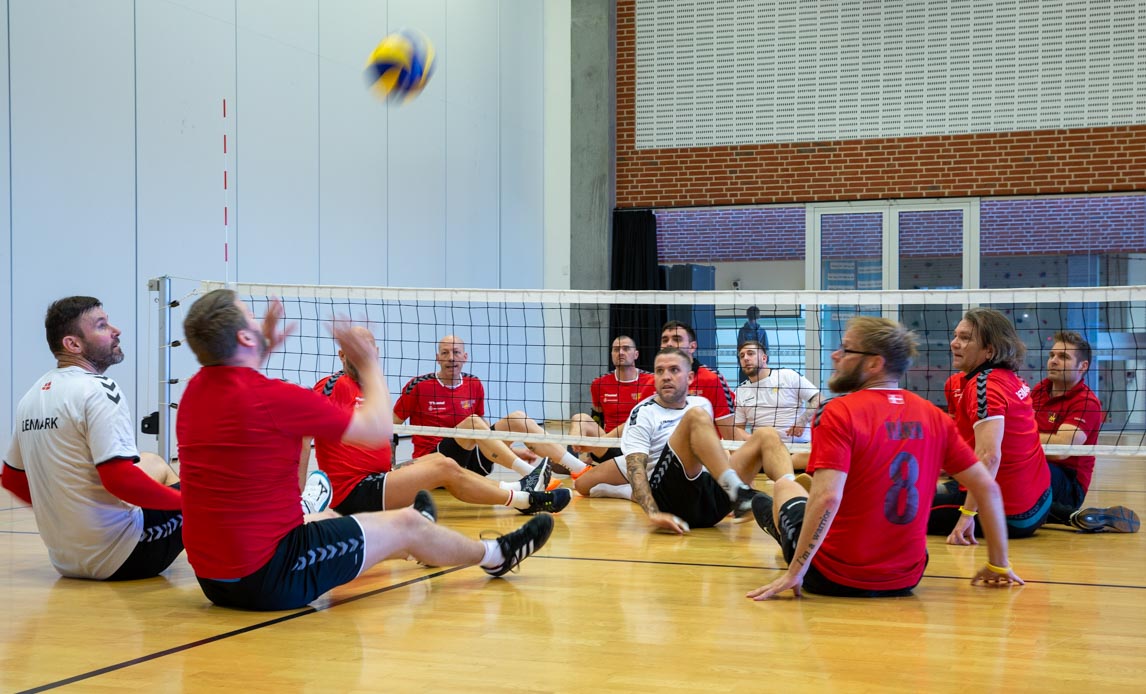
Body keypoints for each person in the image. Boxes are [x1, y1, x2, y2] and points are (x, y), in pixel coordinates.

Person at [177, 289, 553, 611]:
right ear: (244, 339)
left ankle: (419, 535)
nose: (260, 325)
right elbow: (378, 428)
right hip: (267, 577)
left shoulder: (194, 392)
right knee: (405, 524)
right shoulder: (278, 398)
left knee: (323, 519)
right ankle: (496, 556)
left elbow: (241, 384)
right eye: (252, 321)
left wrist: (257, 349)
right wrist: (369, 363)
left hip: (213, 577)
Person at [746, 316, 1021, 600]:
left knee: (779, 488)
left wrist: (795, 572)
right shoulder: (933, 416)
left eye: (847, 349)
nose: (835, 354)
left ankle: (774, 516)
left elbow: (828, 498)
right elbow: (987, 487)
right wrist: (998, 564)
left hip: (833, 576)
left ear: (874, 364)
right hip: (907, 577)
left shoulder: (838, 411)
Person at [1, 296, 183, 580]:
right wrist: (186, 503)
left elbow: (11, 478)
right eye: (102, 325)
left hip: (65, 561)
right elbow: (119, 478)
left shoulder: (33, 395)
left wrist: (70, 512)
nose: (116, 330)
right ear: (73, 344)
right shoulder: (99, 389)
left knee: (153, 462)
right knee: (207, 493)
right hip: (125, 556)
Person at [306, 326, 571, 516]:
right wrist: (297, 494)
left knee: (443, 461)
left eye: (366, 349)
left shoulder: (373, 388)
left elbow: (385, 434)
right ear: (342, 356)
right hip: (356, 489)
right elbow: (303, 432)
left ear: (375, 351)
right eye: (354, 350)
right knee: (445, 466)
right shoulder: (334, 385)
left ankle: (525, 484)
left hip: (381, 476)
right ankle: (526, 498)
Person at [578, 346, 766, 529]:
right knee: (581, 485)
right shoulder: (645, 411)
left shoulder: (702, 404)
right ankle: (625, 492)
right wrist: (652, 512)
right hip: (654, 469)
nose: (666, 376)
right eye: (660, 371)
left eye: (674, 370)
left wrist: (742, 479)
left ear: (690, 377)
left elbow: (717, 446)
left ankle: (790, 506)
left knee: (767, 436)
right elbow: (635, 467)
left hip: (695, 482)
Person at [929, 308, 1052, 543]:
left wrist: (967, 516)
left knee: (899, 503)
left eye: (965, 338)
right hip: (1040, 502)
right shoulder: (1012, 378)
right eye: (955, 335)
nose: (954, 343)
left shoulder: (983, 386)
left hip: (1011, 516)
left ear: (990, 350)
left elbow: (990, 457)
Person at [392, 335, 576, 481]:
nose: (451, 358)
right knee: (473, 423)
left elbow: (483, 432)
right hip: (435, 464)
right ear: (437, 358)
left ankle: (580, 469)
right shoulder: (418, 386)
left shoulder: (474, 383)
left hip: (473, 464)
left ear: (465, 357)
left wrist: (511, 451)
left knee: (517, 418)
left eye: (456, 352)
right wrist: (387, 466)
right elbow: (390, 427)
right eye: (445, 353)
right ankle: (532, 475)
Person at [1031, 331, 1139, 533]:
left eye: (1063, 357)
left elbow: (1060, 449)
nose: (1053, 361)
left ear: (1083, 366)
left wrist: (1020, 437)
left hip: (1068, 484)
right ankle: (1076, 518)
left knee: (1015, 475)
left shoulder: (1087, 402)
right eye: (1052, 355)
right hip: (1034, 466)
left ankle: (1068, 512)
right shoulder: (1038, 391)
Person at [568, 335, 653, 464]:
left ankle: (574, 462)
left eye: (626, 348)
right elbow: (597, 417)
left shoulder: (653, 381)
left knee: (633, 420)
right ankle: (571, 460)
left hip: (639, 444)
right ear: (612, 354)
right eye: (616, 349)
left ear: (636, 354)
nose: (621, 353)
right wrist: (593, 452)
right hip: (609, 443)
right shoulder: (599, 383)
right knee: (579, 418)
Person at [734, 340, 821, 445]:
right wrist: (755, 440)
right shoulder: (740, 391)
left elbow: (819, 399)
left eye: (751, 353)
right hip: (764, 450)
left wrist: (803, 419)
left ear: (764, 358)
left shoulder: (788, 376)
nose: (746, 358)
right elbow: (737, 429)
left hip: (800, 446)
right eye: (741, 356)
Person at [659, 320, 736, 438]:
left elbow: (729, 435)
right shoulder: (654, 381)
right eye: (665, 340)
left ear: (692, 347)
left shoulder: (711, 380)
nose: (669, 344)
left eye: (677, 339)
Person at [737, 306, 769, 383]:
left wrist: (741, 363)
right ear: (759, 316)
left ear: (747, 315)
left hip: (746, 366)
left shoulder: (742, 331)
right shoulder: (762, 331)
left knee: (744, 389)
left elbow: (739, 349)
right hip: (759, 366)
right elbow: (766, 350)